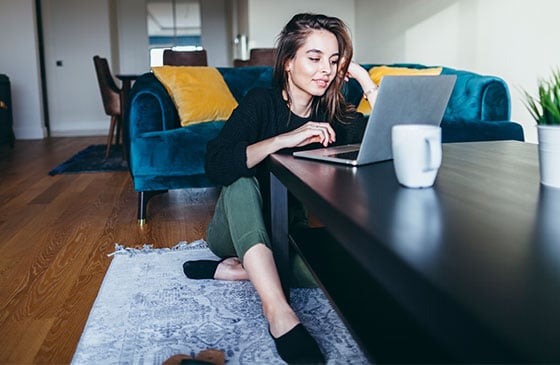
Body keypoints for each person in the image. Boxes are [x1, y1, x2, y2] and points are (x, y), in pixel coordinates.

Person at [183, 13, 378, 364]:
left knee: (340, 273)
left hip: (288, 233)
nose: (326, 70)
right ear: (288, 62)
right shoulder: (261, 102)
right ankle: (279, 312)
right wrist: (284, 139)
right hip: (233, 229)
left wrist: (365, 81)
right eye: (314, 58)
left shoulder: (333, 114)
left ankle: (236, 270)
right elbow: (217, 162)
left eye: (334, 61)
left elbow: (387, 139)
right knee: (241, 177)